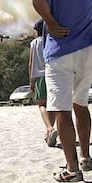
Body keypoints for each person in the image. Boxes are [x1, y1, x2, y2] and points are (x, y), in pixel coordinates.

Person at [32, 0, 92, 182]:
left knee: (62, 109)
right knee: (81, 105)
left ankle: (72, 170)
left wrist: (49, 22)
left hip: (61, 52)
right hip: (88, 50)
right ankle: (86, 158)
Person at [28, 19, 57, 147]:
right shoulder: (52, 40)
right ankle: (49, 132)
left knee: (42, 105)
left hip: (40, 76)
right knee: (54, 104)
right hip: (54, 74)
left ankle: (50, 128)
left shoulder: (34, 43)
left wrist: (31, 80)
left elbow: (31, 63)